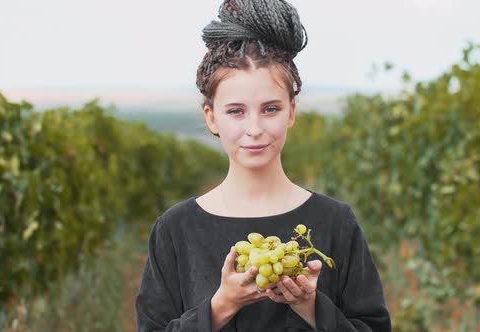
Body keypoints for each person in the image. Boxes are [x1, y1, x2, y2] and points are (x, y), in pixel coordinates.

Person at [134, 0, 391, 331]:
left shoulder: (336, 223)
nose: (254, 128)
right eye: (236, 111)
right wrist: (220, 306)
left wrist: (311, 307)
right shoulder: (174, 230)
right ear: (211, 118)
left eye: (270, 109)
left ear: (292, 112)